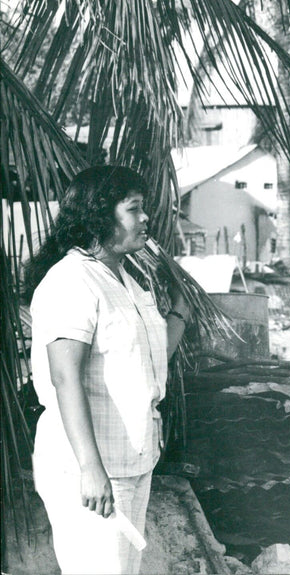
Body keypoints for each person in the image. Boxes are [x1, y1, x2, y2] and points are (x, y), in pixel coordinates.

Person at [24, 165, 191, 575]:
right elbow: (65, 378)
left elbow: (147, 361)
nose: (146, 218)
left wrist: (181, 313)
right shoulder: (71, 281)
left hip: (133, 460)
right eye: (134, 209)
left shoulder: (126, 280)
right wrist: (90, 468)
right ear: (100, 217)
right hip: (88, 466)